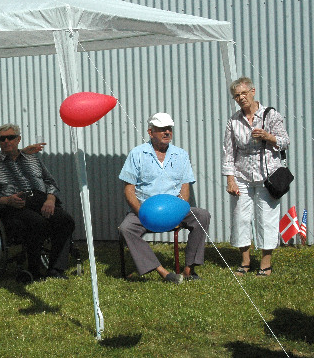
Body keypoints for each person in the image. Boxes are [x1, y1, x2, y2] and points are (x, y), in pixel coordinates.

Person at [118, 113, 210, 284]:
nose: (167, 132)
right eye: (161, 129)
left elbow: (185, 187)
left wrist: (176, 214)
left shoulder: (181, 155)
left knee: (202, 215)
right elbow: (129, 191)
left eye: (169, 129)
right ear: (150, 132)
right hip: (144, 209)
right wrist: (144, 215)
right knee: (126, 228)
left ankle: (189, 269)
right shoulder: (137, 154)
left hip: (174, 209)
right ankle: (163, 272)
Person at [0, 123, 75, 280]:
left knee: (66, 220)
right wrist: (6, 200)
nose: (6, 142)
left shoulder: (32, 159)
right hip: (13, 206)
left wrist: (51, 199)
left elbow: (50, 182)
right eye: (2, 139)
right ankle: (33, 271)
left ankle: (56, 269)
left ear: (19, 139)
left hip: (40, 200)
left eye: (10, 138)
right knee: (37, 223)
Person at [222, 77, 290, 277]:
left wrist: (268, 137)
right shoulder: (233, 121)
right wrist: (230, 179)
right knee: (240, 217)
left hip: (267, 176)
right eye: (236, 96)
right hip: (241, 175)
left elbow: (285, 142)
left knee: (266, 219)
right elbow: (228, 152)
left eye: (244, 93)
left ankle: (265, 264)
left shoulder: (270, 115)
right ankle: (245, 262)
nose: (241, 98)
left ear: (253, 91)